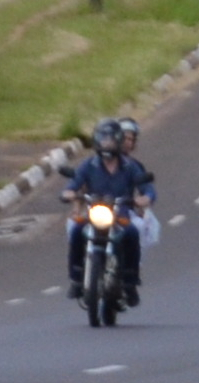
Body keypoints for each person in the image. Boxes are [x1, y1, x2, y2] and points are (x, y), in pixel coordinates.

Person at [64, 117, 155, 305]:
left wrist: (143, 198)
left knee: (132, 233)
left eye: (111, 139)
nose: (107, 143)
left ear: (118, 140)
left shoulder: (130, 166)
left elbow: (148, 190)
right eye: (103, 138)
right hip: (93, 214)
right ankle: (76, 278)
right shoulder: (88, 165)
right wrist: (69, 193)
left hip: (120, 215)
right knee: (75, 231)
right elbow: (73, 184)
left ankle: (130, 283)